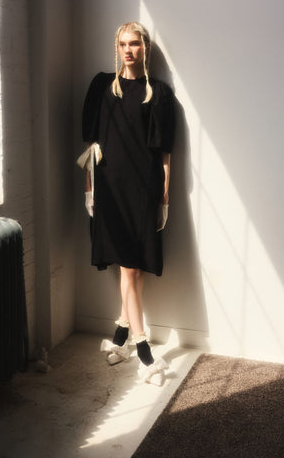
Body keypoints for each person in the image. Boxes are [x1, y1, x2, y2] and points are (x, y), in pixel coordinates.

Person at [80, 22, 175, 385]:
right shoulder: (103, 86)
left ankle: (121, 334)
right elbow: (91, 143)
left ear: (145, 47)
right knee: (128, 268)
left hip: (144, 188)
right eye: (123, 44)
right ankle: (144, 350)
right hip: (110, 187)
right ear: (116, 47)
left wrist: (165, 194)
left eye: (135, 43)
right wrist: (89, 186)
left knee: (133, 268)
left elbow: (164, 150)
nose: (128, 50)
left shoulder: (158, 93)